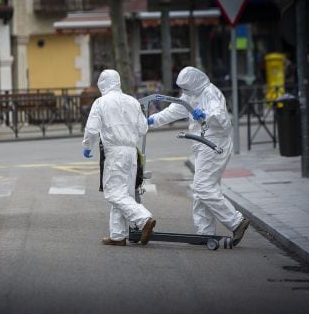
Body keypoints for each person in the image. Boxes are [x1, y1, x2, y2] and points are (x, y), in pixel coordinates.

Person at [147, 66, 250, 246]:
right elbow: (175, 110)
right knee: (203, 189)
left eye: (185, 87)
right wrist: (153, 120)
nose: (183, 91)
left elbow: (221, 117)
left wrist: (206, 115)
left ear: (194, 82)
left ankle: (236, 221)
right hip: (203, 144)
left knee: (202, 187)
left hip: (214, 144)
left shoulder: (210, 93)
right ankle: (204, 232)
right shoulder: (190, 95)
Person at [82, 69, 156, 246]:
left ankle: (143, 218)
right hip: (131, 152)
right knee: (125, 194)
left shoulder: (101, 102)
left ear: (102, 84)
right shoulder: (132, 101)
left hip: (115, 152)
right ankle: (117, 236)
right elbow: (143, 129)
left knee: (113, 193)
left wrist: (87, 146)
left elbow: (92, 129)